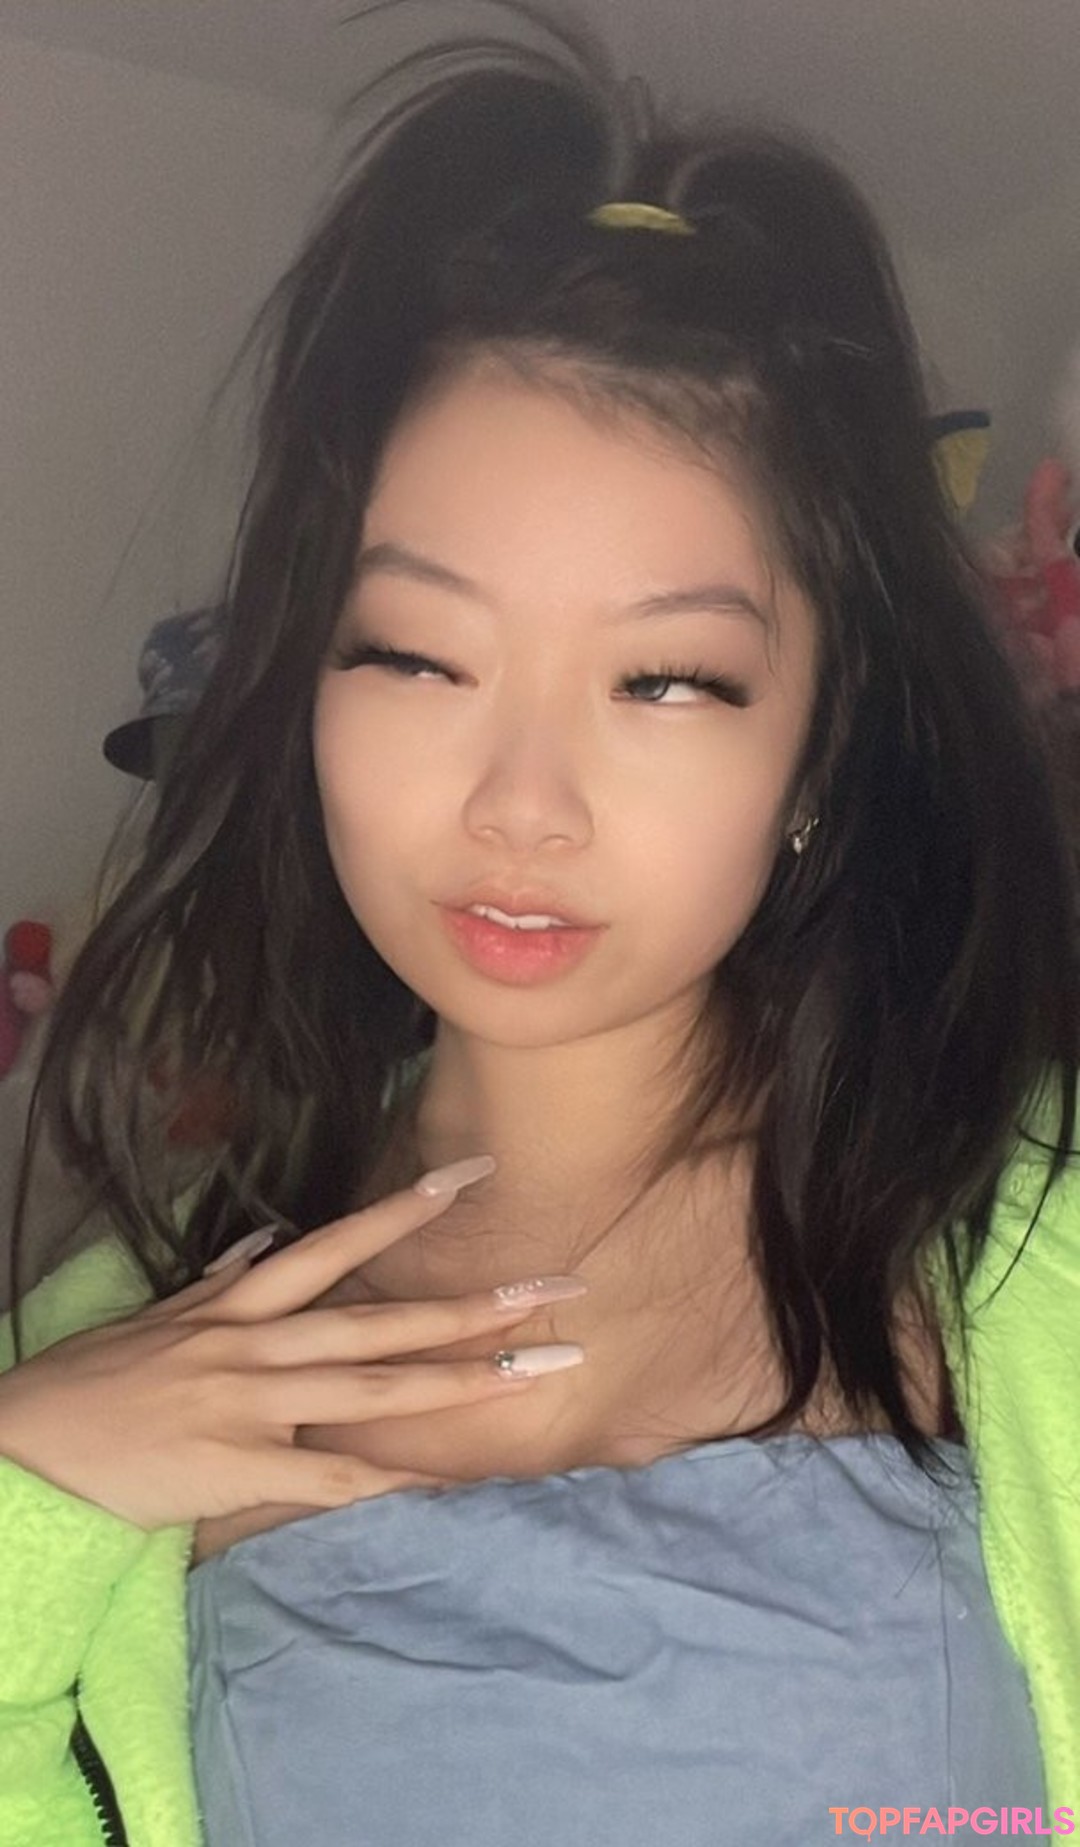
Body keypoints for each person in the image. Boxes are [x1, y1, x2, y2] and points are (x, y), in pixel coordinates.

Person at [2, 11, 1078, 1844]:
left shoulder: (1033, 1239)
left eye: (666, 681)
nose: (521, 804)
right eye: (419, 654)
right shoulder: (129, 1339)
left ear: (818, 749)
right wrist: (24, 1494)